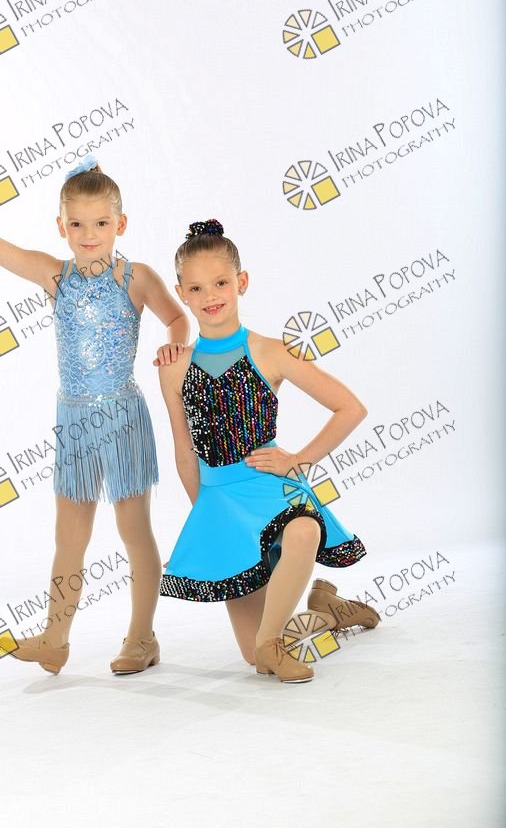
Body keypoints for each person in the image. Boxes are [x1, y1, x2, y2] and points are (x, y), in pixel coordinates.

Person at [0, 155, 189, 676]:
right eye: (76, 224)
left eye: (100, 223)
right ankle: (55, 640)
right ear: (61, 227)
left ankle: (142, 637)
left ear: (120, 224)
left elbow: (176, 318)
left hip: (121, 418)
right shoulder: (56, 276)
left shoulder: (137, 277)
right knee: (69, 536)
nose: (88, 234)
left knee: (134, 530)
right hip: (75, 420)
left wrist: (174, 346)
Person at [158, 218, 378, 684]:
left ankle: (273, 641)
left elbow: (350, 408)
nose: (210, 295)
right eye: (196, 288)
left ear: (241, 282)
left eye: (220, 282)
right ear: (182, 294)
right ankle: (328, 609)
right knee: (253, 657)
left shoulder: (271, 352)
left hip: (271, 488)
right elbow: (183, 450)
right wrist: (206, 516)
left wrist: (298, 459)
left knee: (303, 530)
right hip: (220, 500)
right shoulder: (174, 368)